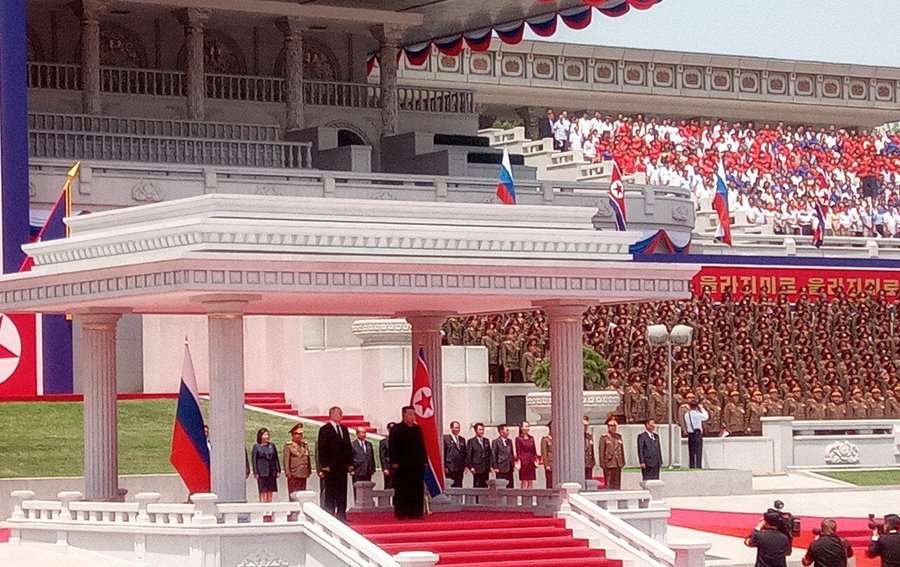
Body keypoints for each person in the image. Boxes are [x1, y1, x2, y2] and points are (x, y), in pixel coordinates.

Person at [388, 406, 427, 520]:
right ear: (404, 415)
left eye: (413, 414)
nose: (412, 417)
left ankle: (416, 512)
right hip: (402, 465)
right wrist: (394, 461)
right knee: (403, 489)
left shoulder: (417, 429)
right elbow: (392, 447)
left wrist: (424, 460)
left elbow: (421, 446)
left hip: (416, 465)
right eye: (410, 414)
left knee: (416, 488)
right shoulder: (396, 429)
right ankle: (402, 512)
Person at [316, 406, 354, 521]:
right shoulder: (325, 429)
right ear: (331, 414)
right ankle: (330, 515)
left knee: (342, 491)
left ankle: (342, 515)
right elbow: (322, 448)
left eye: (341, 413)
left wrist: (350, 463)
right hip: (330, 467)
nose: (340, 415)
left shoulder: (344, 429)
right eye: (338, 413)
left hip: (342, 467)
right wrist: (324, 465)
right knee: (331, 492)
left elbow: (348, 447)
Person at [251, 428, 281, 503]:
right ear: (260, 436)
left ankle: (269, 506)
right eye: (265, 435)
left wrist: (278, 470)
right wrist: (256, 472)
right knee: (263, 490)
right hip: (262, 472)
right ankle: (263, 506)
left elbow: (276, 458)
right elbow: (254, 460)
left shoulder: (272, 446)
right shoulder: (256, 447)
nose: (267, 436)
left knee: (270, 489)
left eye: (267, 434)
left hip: (271, 471)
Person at [283, 423, 311, 494]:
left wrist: (309, 470)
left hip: (303, 473)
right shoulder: (289, 446)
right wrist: (287, 472)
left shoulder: (304, 445)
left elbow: (308, 459)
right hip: (294, 473)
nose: (300, 436)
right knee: (294, 493)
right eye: (298, 434)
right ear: (293, 434)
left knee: (302, 493)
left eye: (301, 434)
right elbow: (286, 460)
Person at [598, 419, 625, 490]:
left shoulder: (618, 437)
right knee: (609, 483)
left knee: (617, 483)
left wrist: (623, 461)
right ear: (608, 427)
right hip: (609, 463)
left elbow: (621, 450)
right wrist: (602, 462)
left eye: (614, 426)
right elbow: (601, 450)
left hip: (618, 462)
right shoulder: (604, 437)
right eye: (611, 426)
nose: (613, 428)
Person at [351, 427, 376, 496]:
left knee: (367, 490)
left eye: (365, 433)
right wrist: (351, 470)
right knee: (358, 491)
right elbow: (350, 458)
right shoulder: (353, 445)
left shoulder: (369, 444)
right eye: (362, 433)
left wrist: (373, 468)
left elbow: (372, 457)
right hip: (358, 471)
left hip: (368, 471)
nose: (364, 434)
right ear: (357, 434)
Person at [466, 422, 492, 488]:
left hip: (485, 468)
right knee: (477, 486)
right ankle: (477, 498)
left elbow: (489, 454)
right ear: (475, 430)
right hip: (476, 468)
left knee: (485, 486)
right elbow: (468, 455)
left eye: (483, 429)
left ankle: (484, 499)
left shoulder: (486, 441)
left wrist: (490, 466)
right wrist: (471, 467)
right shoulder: (471, 441)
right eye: (480, 430)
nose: (482, 431)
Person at [685, 400, 709, 469]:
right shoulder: (698, 414)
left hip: (690, 434)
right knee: (698, 451)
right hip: (697, 433)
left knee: (691, 452)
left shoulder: (687, 415)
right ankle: (698, 465)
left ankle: (691, 466)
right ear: (696, 407)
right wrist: (702, 408)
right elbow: (706, 417)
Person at [443, 420, 467, 488]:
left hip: (459, 467)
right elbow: (444, 452)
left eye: (459, 428)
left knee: (459, 485)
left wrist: (465, 465)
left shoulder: (462, 439)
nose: (457, 429)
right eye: (456, 428)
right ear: (451, 428)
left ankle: (458, 499)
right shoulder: (446, 438)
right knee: (451, 485)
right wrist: (444, 466)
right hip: (450, 467)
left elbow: (464, 453)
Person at [515, 421, 538, 489]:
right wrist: (518, 462)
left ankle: (530, 497)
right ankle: (523, 497)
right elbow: (518, 451)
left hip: (531, 461)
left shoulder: (531, 438)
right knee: (524, 481)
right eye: (526, 426)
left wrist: (536, 460)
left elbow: (534, 450)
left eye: (528, 426)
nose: (527, 428)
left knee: (530, 481)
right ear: (521, 428)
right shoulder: (518, 439)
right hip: (523, 462)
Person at [491, 423, 515, 488]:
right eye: (507, 430)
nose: (508, 432)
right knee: (501, 486)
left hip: (509, 467)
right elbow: (494, 455)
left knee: (510, 486)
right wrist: (495, 467)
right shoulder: (496, 442)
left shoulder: (509, 441)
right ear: (501, 432)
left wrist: (513, 465)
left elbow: (511, 453)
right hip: (500, 467)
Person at [380, 422, 395, 490]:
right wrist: (384, 468)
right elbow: (382, 456)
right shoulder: (384, 442)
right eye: (391, 428)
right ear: (388, 429)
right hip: (388, 467)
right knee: (388, 486)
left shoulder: (401, 440)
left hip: (398, 468)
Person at [541, 421, 553, 489]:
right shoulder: (545, 439)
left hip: (557, 465)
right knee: (549, 482)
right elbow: (544, 453)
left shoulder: (558, 439)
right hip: (550, 464)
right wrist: (546, 465)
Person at [584, 416, 596, 480]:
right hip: (581, 462)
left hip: (589, 461)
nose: (585, 428)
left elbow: (592, 449)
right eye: (583, 426)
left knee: (589, 478)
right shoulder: (576, 436)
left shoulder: (589, 436)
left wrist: (593, 461)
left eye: (586, 426)